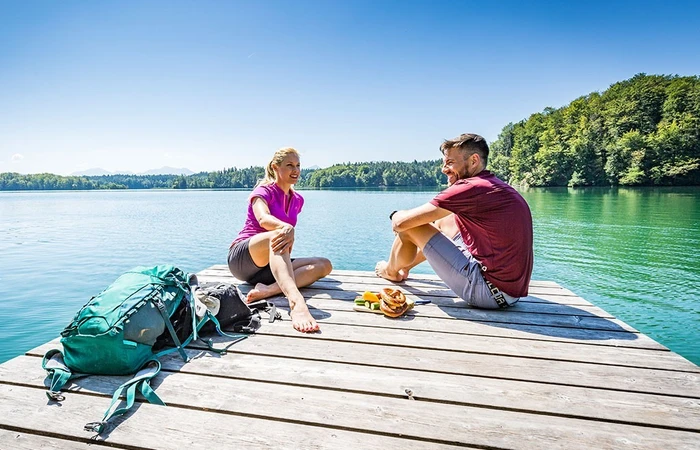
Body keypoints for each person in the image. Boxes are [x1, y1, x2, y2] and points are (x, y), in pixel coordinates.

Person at [375, 133, 533, 308]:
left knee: (410, 226)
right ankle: (405, 268)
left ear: (474, 161)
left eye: (450, 163)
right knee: (446, 220)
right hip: (509, 293)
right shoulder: (491, 185)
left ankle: (390, 271)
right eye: (444, 163)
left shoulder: (470, 187)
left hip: (487, 293)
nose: (444, 169)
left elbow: (401, 224)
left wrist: (397, 214)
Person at [228, 147, 332, 332]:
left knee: (324, 265)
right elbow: (263, 218)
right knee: (279, 234)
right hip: (243, 259)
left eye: (298, 165)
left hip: (269, 266)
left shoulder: (297, 199)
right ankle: (296, 302)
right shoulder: (263, 191)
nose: (296, 170)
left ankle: (268, 290)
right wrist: (285, 228)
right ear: (276, 168)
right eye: (289, 165)